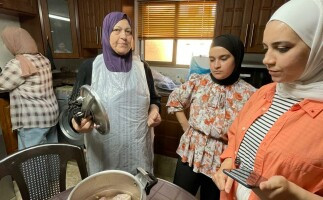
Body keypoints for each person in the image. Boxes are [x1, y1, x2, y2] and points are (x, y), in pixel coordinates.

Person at [212, 0, 323, 199]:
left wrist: (296, 195)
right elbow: (236, 136)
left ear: (318, 48)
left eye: (282, 48)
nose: (267, 60)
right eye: (266, 48)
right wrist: (228, 161)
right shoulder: (264, 93)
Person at [70, 12, 161, 175]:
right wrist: (77, 124)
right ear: (106, 33)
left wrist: (154, 111)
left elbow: (154, 99)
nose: (124, 36)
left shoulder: (142, 67)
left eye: (128, 31)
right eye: (117, 30)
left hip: (137, 149)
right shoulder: (90, 67)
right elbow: (74, 106)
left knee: (137, 190)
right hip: (103, 151)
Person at [166, 34, 256, 199]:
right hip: (191, 151)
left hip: (222, 160)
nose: (216, 65)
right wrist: (186, 127)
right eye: (212, 59)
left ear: (237, 58)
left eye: (223, 58)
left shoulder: (250, 94)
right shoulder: (199, 82)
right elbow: (175, 99)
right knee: (179, 196)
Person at [0, 27, 59, 150]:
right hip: (51, 114)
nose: (6, 46)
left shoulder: (17, 64)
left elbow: (2, 84)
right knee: (52, 152)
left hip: (33, 120)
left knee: (33, 161)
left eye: (6, 42)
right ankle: (55, 170)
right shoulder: (44, 59)